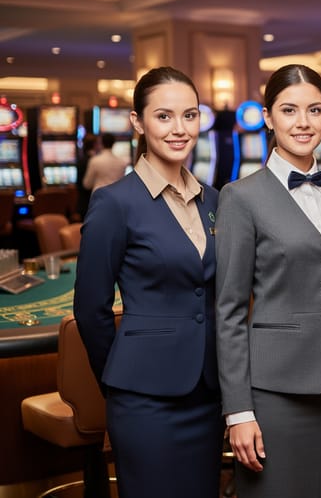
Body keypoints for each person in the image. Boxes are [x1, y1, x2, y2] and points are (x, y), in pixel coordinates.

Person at [73, 66, 222, 498]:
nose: (180, 129)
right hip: (145, 400)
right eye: (164, 116)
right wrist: (121, 380)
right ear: (138, 122)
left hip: (209, 393)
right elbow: (90, 310)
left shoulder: (214, 199)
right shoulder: (114, 202)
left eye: (190, 116)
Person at [216, 64, 321, 498]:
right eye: (289, 110)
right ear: (267, 117)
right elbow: (228, 310)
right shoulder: (241, 197)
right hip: (275, 390)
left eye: (315, 110)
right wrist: (238, 411)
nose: (303, 122)